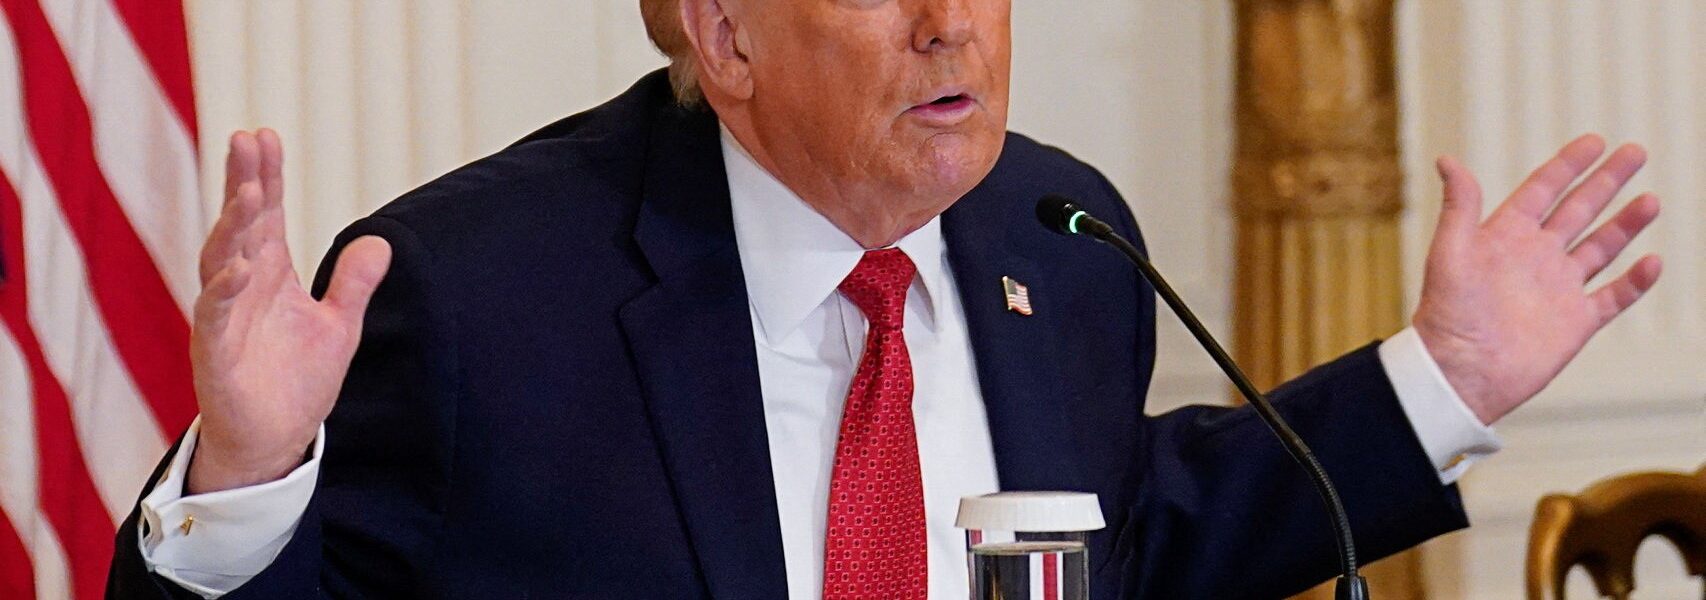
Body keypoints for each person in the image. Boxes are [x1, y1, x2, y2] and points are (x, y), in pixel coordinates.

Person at [106, 0, 1664, 598]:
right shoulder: (477, 295)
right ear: (723, 36)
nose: (951, 25)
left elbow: (1122, 541)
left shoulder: (1062, 237)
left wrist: (1442, 377)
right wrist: (246, 474)